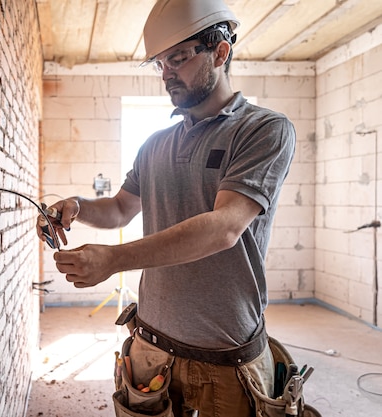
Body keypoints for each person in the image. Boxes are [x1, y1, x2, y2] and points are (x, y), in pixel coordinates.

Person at [37, 0, 296, 416]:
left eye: (177, 58)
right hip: (150, 348)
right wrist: (79, 207)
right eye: (159, 63)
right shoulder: (156, 144)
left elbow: (224, 227)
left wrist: (114, 259)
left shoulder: (263, 129)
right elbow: (122, 208)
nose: (166, 73)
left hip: (227, 356)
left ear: (220, 52)